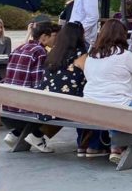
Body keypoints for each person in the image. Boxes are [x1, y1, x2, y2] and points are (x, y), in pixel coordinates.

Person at [83, 19, 132, 165]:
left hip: (91, 106)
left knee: (118, 107)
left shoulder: (91, 56)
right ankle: (124, 149)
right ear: (122, 36)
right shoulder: (124, 56)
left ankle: (116, 147)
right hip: (118, 108)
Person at [41, 22, 107, 157]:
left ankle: (82, 145)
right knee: (97, 100)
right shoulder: (80, 54)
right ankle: (93, 146)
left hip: (46, 103)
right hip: (68, 105)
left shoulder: (54, 52)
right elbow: (92, 75)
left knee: (84, 100)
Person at [1, 20, 61, 153]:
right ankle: (37, 136)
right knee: (63, 107)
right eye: (55, 36)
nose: (57, 40)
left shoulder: (19, 48)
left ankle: (16, 133)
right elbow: (39, 84)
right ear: (44, 36)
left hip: (9, 102)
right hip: (24, 105)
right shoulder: (40, 52)